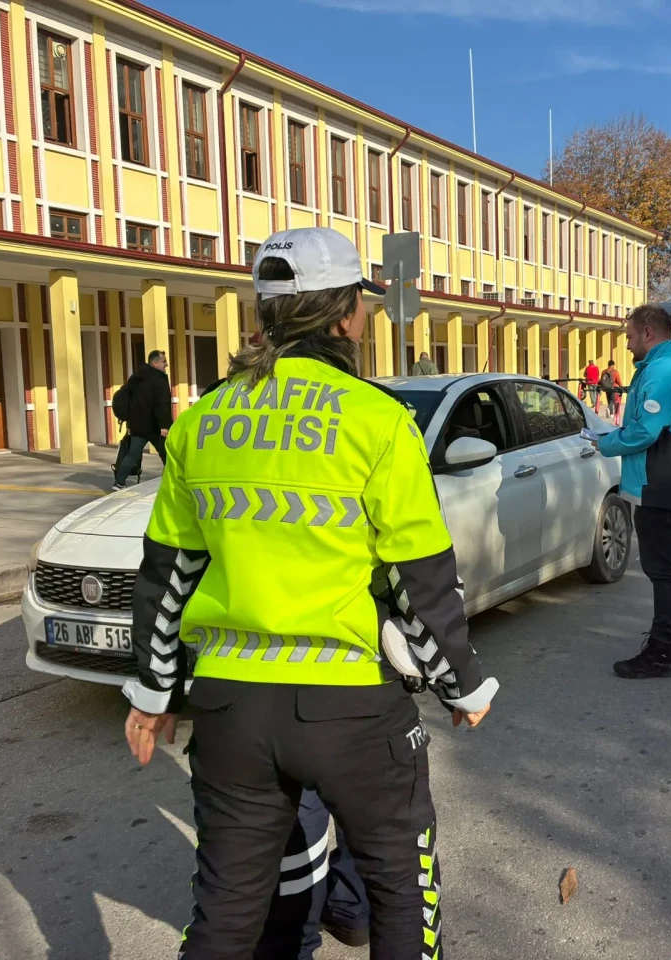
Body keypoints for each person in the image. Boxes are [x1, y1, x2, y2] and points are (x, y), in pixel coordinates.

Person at [121, 226, 498, 959]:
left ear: (263, 314)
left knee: (227, 912)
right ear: (345, 315)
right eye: (360, 301)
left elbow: (168, 573)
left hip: (231, 706)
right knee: (400, 890)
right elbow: (419, 578)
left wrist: (152, 693)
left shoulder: (201, 423)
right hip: (352, 707)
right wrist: (463, 686)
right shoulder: (377, 421)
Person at [594, 304, 671, 680]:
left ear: (647, 333)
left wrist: (605, 443)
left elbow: (646, 429)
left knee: (663, 570)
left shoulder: (662, 371)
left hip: (662, 482)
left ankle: (661, 652)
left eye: (628, 337)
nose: (626, 346)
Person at [112, 350, 172, 490]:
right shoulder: (159, 380)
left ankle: (119, 482)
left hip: (137, 425)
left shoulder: (136, 377)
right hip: (154, 426)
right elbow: (161, 405)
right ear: (155, 363)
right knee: (166, 453)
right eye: (164, 361)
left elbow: (129, 399)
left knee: (132, 454)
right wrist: (164, 425)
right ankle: (173, 480)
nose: (166, 364)